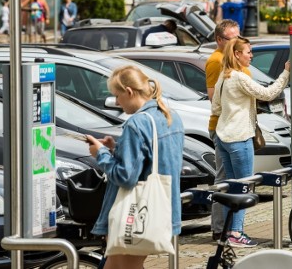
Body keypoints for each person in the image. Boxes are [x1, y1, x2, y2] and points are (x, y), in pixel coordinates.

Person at [87, 65, 184, 269]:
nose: (117, 102)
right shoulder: (171, 117)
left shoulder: (136, 124)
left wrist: (101, 154)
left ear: (129, 92)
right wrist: (118, 148)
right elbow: (154, 160)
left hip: (135, 215)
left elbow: (126, 176)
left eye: (117, 96)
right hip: (162, 208)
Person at [211, 37, 290, 247]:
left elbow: (216, 108)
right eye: (248, 52)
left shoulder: (223, 77)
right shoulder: (239, 78)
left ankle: (228, 232)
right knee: (244, 187)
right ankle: (236, 233)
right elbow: (269, 93)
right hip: (239, 138)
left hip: (223, 137)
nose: (251, 55)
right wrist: (286, 72)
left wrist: (234, 108)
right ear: (237, 54)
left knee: (230, 187)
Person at [205, 19, 246, 241]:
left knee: (234, 178)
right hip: (224, 127)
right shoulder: (216, 61)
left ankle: (228, 227)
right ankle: (220, 228)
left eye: (239, 38)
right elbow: (214, 97)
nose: (236, 43)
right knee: (224, 178)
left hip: (236, 125)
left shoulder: (233, 57)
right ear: (219, 40)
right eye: (232, 39)